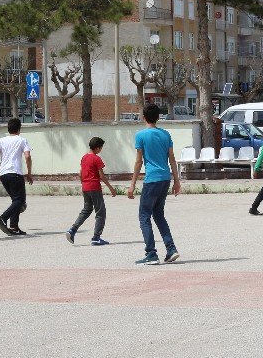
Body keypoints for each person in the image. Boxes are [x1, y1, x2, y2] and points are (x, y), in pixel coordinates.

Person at [127, 104, 181, 265]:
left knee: (144, 216)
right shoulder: (165, 134)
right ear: (158, 117)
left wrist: (132, 184)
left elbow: (138, 162)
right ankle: (171, 249)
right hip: (165, 178)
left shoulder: (141, 136)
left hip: (151, 180)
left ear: (144, 117)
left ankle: (151, 253)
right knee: (158, 214)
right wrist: (177, 181)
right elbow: (172, 158)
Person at [67, 136, 117, 246]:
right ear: (98, 148)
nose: (101, 150)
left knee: (86, 209)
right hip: (94, 187)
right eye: (101, 147)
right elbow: (102, 176)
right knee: (101, 212)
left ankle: (72, 230)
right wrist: (111, 188)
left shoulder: (84, 157)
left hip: (85, 187)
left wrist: (84, 184)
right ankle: (96, 238)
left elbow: (80, 173)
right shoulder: (96, 158)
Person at [0, 118, 33, 236]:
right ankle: (2, 218)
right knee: (20, 200)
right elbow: (28, 157)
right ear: (19, 129)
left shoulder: (2, 140)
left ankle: (14, 226)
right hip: (15, 173)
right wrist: (29, 173)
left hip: (4, 174)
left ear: (8, 128)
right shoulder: (22, 140)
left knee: (16, 200)